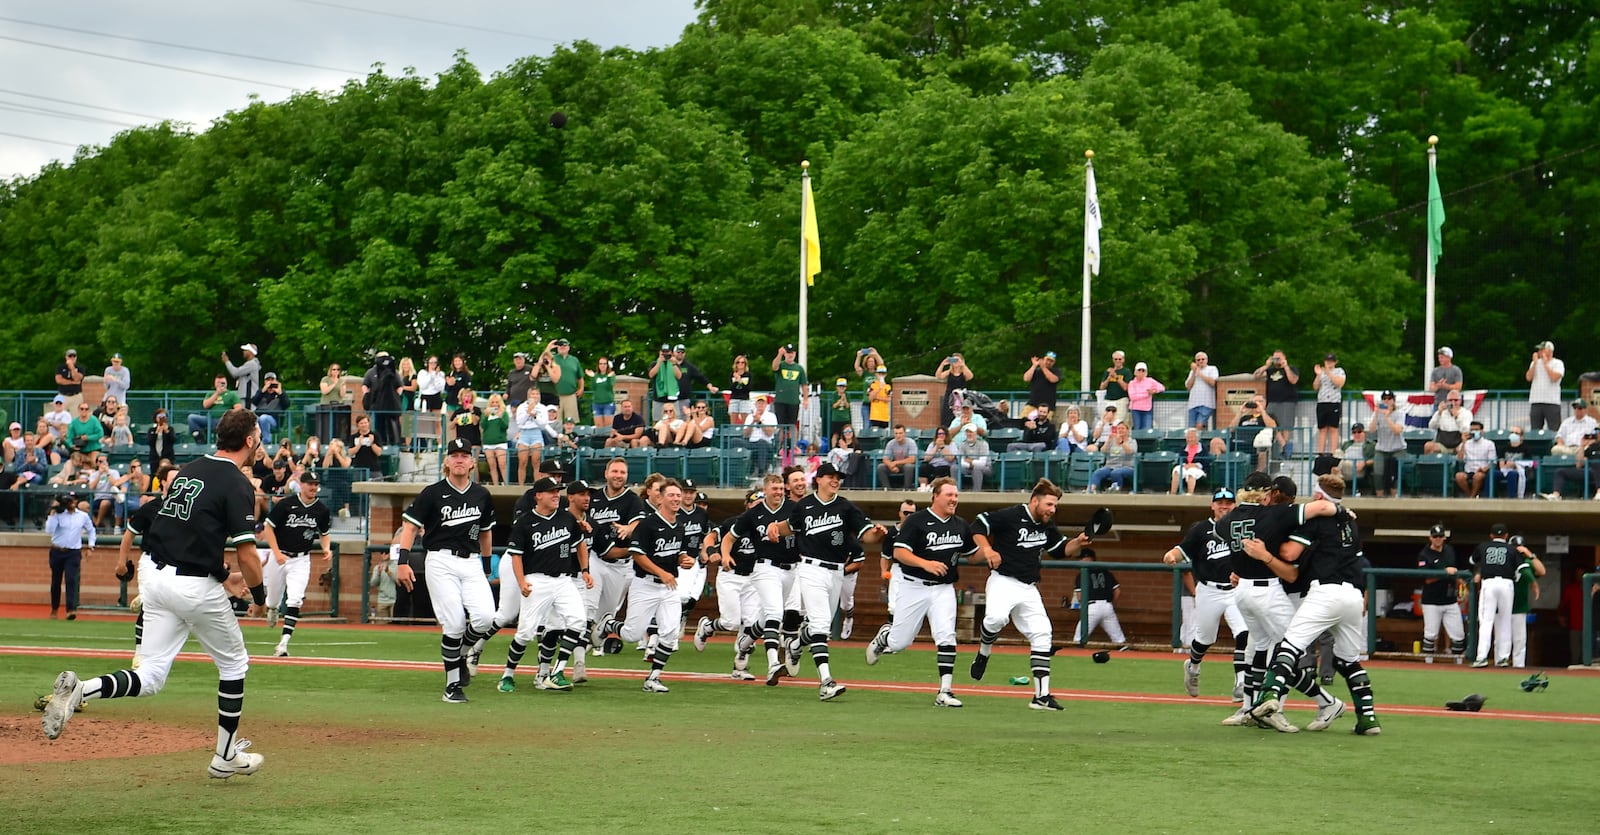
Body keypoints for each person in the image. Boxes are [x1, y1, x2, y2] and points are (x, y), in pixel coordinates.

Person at [42, 408, 270, 780]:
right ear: (249, 440)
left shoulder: (192, 468)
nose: (259, 438)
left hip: (156, 577)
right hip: (192, 584)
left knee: (149, 676)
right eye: (257, 433)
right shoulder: (238, 483)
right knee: (234, 665)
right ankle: (225, 755)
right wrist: (260, 597)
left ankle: (81, 690)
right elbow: (247, 553)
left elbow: (188, 530)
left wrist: (222, 574)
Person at [1245, 473, 1381, 736]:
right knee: (1349, 661)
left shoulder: (1318, 521)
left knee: (1289, 646)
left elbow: (1289, 554)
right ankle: (1368, 718)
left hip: (1325, 591)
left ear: (1319, 496)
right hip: (1353, 595)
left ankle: (1268, 696)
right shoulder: (1351, 523)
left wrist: (1268, 546)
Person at [1215, 471, 1341, 727]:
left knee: (1269, 651)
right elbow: (1322, 507)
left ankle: (1258, 708)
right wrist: (1343, 512)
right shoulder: (1275, 514)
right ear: (1266, 494)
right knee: (1276, 651)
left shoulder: (1228, 519)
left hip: (1258, 590)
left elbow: (1224, 533)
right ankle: (1261, 708)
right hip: (1267, 590)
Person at [390, 436, 497, 703]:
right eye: (454, 455)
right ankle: (452, 686)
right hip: (440, 560)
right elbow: (410, 527)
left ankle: (459, 654)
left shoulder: (482, 494)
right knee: (455, 623)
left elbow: (485, 534)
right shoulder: (433, 492)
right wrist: (402, 562)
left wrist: (485, 566)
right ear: (447, 462)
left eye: (464, 455)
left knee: (486, 617)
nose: (459, 459)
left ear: (472, 462)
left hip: (471, 561)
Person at [768, 462, 885, 701]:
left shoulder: (846, 507)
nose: (836, 481)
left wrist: (878, 534)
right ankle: (826, 681)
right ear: (819, 479)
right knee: (821, 625)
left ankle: (795, 645)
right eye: (831, 476)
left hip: (837, 572)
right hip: (811, 568)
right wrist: (774, 527)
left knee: (817, 628)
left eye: (838, 477)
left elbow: (867, 535)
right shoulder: (805, 505)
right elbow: (790, 527)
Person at [971, 479, 1091, 710]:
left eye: (1055, 506)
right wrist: (987, 549)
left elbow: (1060, 550)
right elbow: (977, 525)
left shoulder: (1046, 524)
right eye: (1048, 504)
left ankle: (1041, 696)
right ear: (1034, 501)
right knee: (996, 619)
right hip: (1003, 581)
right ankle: (984, 653)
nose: (1052, 510)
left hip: (1028, 588)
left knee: (1043, 634)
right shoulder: (1010, 515)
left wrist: (1078, 541)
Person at [864, 477, 975, 707]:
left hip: (944, 589)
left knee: (946, 636)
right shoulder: (917, 520)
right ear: (935, 496)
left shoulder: (960, 524)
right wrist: (926, 563)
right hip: (913, 586)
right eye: (949, 495)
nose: (954, 499)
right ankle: (885, 636)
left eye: (956, 495)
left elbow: (973, 554)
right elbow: (900, 553)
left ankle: (945, 691)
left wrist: (991, 552)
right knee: (899, 643)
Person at [598, 479, 694, 693]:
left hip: (668, 587)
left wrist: (686, 559)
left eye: (678, 495)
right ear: (660, 498)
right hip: (646, 585)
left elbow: (677, 553)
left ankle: (653, 677)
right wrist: (661, 572)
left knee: (670, 633)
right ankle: (608, 624)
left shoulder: (679, 526)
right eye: (672, 495)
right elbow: (637, 555)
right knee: (632, 635)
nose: (677, 499)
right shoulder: (648, 524)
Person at [497, 476, 591, 692]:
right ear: (538, 495)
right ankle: (507, 675)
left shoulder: (567, 518)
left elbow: (580, 544)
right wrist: (521, 582)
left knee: (578, 621)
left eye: (558, 491)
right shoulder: (525, 522)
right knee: (525, 633)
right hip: (536, 580)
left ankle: (556, 672)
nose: (556, 495)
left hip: (563, 580)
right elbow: (516, 556)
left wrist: (585, 570)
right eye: (551, 491)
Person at [1163, 487, 1249, 701]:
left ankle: (1241, 682)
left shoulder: (1241, 527)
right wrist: (1170, 555)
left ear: (1235, 505)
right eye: (1219, 502)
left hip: (1236, 590)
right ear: (1212, 505)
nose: (1224, 506)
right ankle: (1192, 666)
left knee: (1244, 633)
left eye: (1228, 502)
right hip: (1209, 590)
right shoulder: (1201, 529)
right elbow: (1181, 550)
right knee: (1204, 639)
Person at [724, 473, 798, 685]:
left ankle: (744, 644)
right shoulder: (754, 513)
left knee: (768, 619)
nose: (778, 492)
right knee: (775, 613)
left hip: (790, 569)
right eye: (774, 488)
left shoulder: (793, 509)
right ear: (765, 490)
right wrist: (726, 554)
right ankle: (773, 664)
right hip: (765, 567)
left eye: (781, 488)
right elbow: (729, 537)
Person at [258, 470, 332, 658]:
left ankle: (283, 643)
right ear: (301, 484)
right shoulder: (286, 504)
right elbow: (268, 527)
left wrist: (327, 548)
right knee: (273, 600)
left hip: (301, 559)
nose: (313, 487)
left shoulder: (321, 509)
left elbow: (324, 533)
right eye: (310, 484)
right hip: (280, 556)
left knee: (295, 599)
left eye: (316, 484)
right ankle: (273, 609)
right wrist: (275, 552)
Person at [695, 489, 765, 679]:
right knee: (730, 622)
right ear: (747, 505)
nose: (759, 507)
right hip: (731, 576)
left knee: (751, 624)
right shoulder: (734, 522)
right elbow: (710, 537)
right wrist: (711, 551)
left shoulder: (769, 525)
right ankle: (707, 627)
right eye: (755, 503)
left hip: (753, 579)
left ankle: (740, 666)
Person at [1416, 524, 1466, 657]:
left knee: (1458, 635)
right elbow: (1426, 578)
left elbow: (1455, 571)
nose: (1438, 539)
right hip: (1431, 600)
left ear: (1444, 537)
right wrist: (1444, 573)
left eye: (1440, 536)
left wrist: (1461, 584)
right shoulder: (1424, 554)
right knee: (1431, 635)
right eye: (1435, 536)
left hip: (1450, 599)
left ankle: (1458, 664)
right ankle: (1428, 664)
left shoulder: (1449, 550)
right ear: (1430, 538)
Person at [46, 490, 96, 619]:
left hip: (73, 552)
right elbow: (49, 530)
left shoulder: (82, 516)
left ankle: (71, 610)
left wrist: (91, 546)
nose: (72, 502)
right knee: (56, 581)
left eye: (73, 499)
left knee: (71, 580)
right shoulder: (59, 514)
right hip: (57, 551)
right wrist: (53, 511)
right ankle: (54, 609)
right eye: (69, 499)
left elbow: (91, 530)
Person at [1072, 550, 1128, 648]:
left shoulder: (1081, 574)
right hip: (1107, 607)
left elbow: (1079, 596)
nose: (1080, 561)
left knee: (1078, 640)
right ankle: (1128, 656)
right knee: (1120, 641)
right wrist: (1110, 604)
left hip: (1091, 607)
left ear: (1089, 558)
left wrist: (1085, 608)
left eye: (1082, 558)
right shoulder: (1105, 572)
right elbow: (1117, 591)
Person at [1508, 536, 1546, 668]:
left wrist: (1529, 554)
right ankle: (1499, 665)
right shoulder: (1505, 561)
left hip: (1520, 607)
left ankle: (1518, 667)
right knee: (1501, 640)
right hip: (1502, 607)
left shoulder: (1527, 562)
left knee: (1519, 640)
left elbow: (1541, 570)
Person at [1253, 349, 1300, 454]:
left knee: (1285, 426)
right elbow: (1256, 375)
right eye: (1275, 358)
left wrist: (1285, 366)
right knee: (1270, 424)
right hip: (1272, 401)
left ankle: (1285, 451)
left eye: (1279, 358)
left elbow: (1293, 380)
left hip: (1287, 401)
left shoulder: (1291, 368)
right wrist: (1266, 365)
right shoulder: (1270, 371)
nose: (1276, 360)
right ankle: (1274, 450)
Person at [1538, 428, 1600, 500]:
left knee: (1597, 463)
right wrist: (1582, 446)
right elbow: (1579, 465)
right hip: (1589, 472)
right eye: (1597, 433)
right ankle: (1556, 495)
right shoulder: (1592, 447)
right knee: (1560, 472)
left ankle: (1599, 492)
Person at [361, 352, 403, 446]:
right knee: (379, 425)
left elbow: (399, 386)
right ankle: (380, 443)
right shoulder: (371, 372)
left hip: (391, 405)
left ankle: (395, 444)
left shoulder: (393, 372)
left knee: (393, 425)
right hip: (377, 404)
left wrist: (395, 397)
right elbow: (365, 385)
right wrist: (368, 396)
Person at [1368, 391, 1405, 497]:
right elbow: (1371, 429)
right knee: (1378, 473)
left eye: (1389, 398)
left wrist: (1387, 417)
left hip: (1397, 448)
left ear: (1393, 400)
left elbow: (1397, 430)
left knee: (1395, 472)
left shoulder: (1399, 413)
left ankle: (1394, 496)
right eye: (1385, 398)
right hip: (1382, 448)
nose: (1387, 401)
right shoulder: (1378, 413)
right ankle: (1380, 496)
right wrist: (1376, 413)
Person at [187, 375, 240, 444]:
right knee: (191, 418)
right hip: (210, 419)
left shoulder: (232, 394)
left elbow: (238, 408)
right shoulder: (210, 393)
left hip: (225, 421)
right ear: (215, 384)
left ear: (226, 383)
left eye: (223, 382)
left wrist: (228, 416)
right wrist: (217, 393)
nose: (221, 384)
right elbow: (205, 405)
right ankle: (200, 439)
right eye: (218, 382)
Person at [1526, 340, 1564, 432]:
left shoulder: (1557, 363)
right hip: (1536, 401)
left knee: (1554, 429)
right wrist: (1534, 363)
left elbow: (1554, 378)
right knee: (1535, 430)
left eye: (1541, 350)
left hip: (1551, 402)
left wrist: (1546, 364)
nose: (1539, 352)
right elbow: (1528, 377)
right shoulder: (1535, 363)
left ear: (1549, 351)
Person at [771, 342, 808, 437]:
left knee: (792, 425)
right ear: (785, 354)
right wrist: (779, 354)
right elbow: (774, 367)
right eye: (788, 353)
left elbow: (804, 384)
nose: (790, 355)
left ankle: (793, 447)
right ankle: (781, 447)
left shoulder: (799, 368)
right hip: (781, 400)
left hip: (793, 401)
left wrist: (805, 399)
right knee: (781, 426)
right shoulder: (781, 365)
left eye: (792, 353)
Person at [1312, 353, 1346, 456]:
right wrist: (1318, 375)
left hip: (1334, 402)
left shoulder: (1339, 371)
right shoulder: (1321, 372)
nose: (1329, 363)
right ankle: (1320, 453)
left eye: (1331, 361)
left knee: (1333, 428)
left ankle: (1332, 453)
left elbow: (1339, 383)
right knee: (1322, 428)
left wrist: (1328, 373)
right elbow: (1315, 386)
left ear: (1335, 362)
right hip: (1322, 402)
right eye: (1327, 361)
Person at [1454, 420, 1497, 498]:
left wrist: (1484, 469)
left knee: (1478, 476)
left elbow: (1493, 462)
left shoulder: (1489, 444)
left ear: (1482, 431)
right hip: (1468, 471)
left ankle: (1471, 497)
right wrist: (1463, 442)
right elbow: (1460, 458)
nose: (1474, 432)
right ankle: (1472, 496)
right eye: (1472, 430)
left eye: (1476, 430)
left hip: (1481, 471)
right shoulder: (1466, 443)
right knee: (1459, 476)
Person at [1088, 423, 1135, 493]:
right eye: (1118, 428)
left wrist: (1121, 442)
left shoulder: (1132, 441)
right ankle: (1090, 489)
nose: (1120, 430)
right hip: (1110, 466)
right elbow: (1103, 451)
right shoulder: (1112, 441)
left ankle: (1116, 490)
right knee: (1098, 472)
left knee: (1116, 472)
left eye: (1122, 428)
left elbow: (1130, 452)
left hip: (1126, 466)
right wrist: (1108, 441)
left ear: (1127, 431)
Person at [250, 372, 291, 445]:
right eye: (268, 380)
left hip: (275, 420)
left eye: (272, 379)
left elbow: (287, 404)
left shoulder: (280, 393)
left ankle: (266, 441)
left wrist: (280, 393)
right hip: (259, 417)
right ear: (265, 381)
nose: (270, 382)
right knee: (252, 418)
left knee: (264, 418)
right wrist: (262, 391)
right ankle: (254, 441)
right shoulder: (261, 392)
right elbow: (254, 401)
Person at [934, 353, 972, 429]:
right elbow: (938, 376)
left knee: (962, 414)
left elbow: (970, 376)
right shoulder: (949, 372)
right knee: (947, 416)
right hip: (950, 397)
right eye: (954, 360)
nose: (955, 362)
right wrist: (942, 364)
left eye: (957, 360)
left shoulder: (963, 373)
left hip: (961, 397)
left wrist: (963, 365)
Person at [876, 424, 918, 490]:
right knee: (881, 467)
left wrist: (895, 463)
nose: (898, 435)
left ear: (904, 434)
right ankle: (887, 489)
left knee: (909, 467)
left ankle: (906, 489)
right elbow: (885, 459)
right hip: (894, 466)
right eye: (896, 433)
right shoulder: (890, 443)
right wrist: (891, 465)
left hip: (905, 465)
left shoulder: (911, 442)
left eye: (900, 433)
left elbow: (912, 459)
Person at [1126, 362, 1165, 430]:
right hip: (1136, 409)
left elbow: (1162, 387)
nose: (1141, 372)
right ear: (1135, 371)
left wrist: (1154, 391)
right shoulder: (1132, 383)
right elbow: (1132, 397)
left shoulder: (1150, 381)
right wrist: (1147, 394)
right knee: (1137, 428)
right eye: (1139, 370)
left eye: (1143, 370)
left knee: (1147, 429)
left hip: (1147, 409)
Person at [553, 339, 585, 423]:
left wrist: (581, 388)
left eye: (565, 345)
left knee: (571, 421)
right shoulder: (552, 359)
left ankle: (570, 436)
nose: (562, 347)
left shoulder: (574, 360)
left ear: (568, 347)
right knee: (555, 421)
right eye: (560, 346)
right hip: (555, 395)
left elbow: (580, 376)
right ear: (557, 347)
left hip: (571, 394)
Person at [481, 393, 510, 485]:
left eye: (496, 402)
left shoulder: (504, 413)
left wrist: (500, 417)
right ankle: (495, 484)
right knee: (492, 465)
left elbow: (505, 426)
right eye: (492, 402)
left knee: (502, 464)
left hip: (500, 442)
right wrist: (486, 416)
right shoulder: (486, 413)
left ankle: (506, 484)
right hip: (488, 442)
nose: (494, 404)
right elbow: (483, 426)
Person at [1185, 351, 1219, 429]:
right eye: (1198, 360)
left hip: (1206, 403)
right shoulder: (1192, 372)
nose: (1200, 361)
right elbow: (1188, 386)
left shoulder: (1212, 369)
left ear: (1206, 360)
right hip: (1193, 403)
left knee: (1199, 426)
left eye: (1202, 359)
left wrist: (1199, 373)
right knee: (1191, 429)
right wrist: (1194, 373)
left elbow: (1213, 382)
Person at [1170, 427, 1208, 495]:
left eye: (1192, 437)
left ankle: (1190, 494)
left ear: (1197, 438)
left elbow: (1205, 462)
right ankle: (1173, 493)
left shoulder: (1203, 448)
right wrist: (1185, 465)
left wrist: (1195, 465)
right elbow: (1180, 460)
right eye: (1188, 437)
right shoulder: (1183, 447)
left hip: (1198, 468)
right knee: (1176, 470)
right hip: (1185, 466)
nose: (1189, 439)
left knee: (1191, 472)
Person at [955, 423, 992, 491]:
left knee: (977, 468)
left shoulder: (983, 444)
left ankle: (976, 492)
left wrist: (970, 461)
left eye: (971, 432)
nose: (969, 434)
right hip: (968, 467)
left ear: (976, 433)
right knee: (954, 468)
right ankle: (955, 490)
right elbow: (961, 461)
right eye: (967, 432)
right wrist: (970, 465)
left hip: (985, 467)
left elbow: (982, 463)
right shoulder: (962, 444)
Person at [1097, 350, 1130, 427]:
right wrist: (1109, 378)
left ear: (1123, 360)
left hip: (1121, 399)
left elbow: (1125, 387)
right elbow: (1102, 387)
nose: (1117, 361)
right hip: (1108, 399)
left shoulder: (1126, 372)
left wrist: (1116, 377)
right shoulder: (1108, 371)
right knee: (1105, 421)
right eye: (1116, 359)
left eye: (1119, 359)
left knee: (1118, 422)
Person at [586, 356, 616, 429]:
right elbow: (593, 387)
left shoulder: (611, 375)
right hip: (597, 403)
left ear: (607, 365)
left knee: (608, 426)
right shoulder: (595, 376)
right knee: (599, 426)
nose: (602, 365)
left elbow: (609, 387)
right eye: (601, 364)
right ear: (598, 365)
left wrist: (608, 378)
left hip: (608, 403)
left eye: (604, 364)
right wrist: (593, 377)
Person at [55, 348, 86, 413]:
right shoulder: (60, 367)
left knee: (76, 417)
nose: (72, 358)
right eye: (70, 356)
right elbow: (59, 380)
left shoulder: (80, 367)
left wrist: (72, 368)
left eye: (74, 356)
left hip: (76, 396)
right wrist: (73, 382)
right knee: (61, 416)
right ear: (66, 357)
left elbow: (77, 378)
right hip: (63, 395)